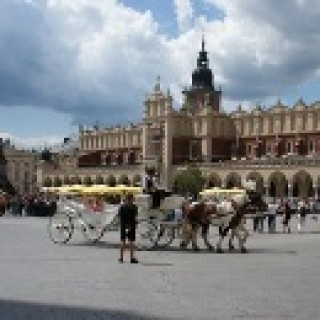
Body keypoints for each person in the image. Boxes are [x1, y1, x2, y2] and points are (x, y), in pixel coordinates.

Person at [118, 193, 138, 263]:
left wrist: (125, 225)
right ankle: (132, 258)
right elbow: (135, 215)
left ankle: (121, 258)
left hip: (123, 226)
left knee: (122, 241)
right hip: (131, 226)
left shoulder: (122, 207)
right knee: (131, 242)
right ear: (131, 199)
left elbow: (120, 217)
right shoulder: (134, 207)